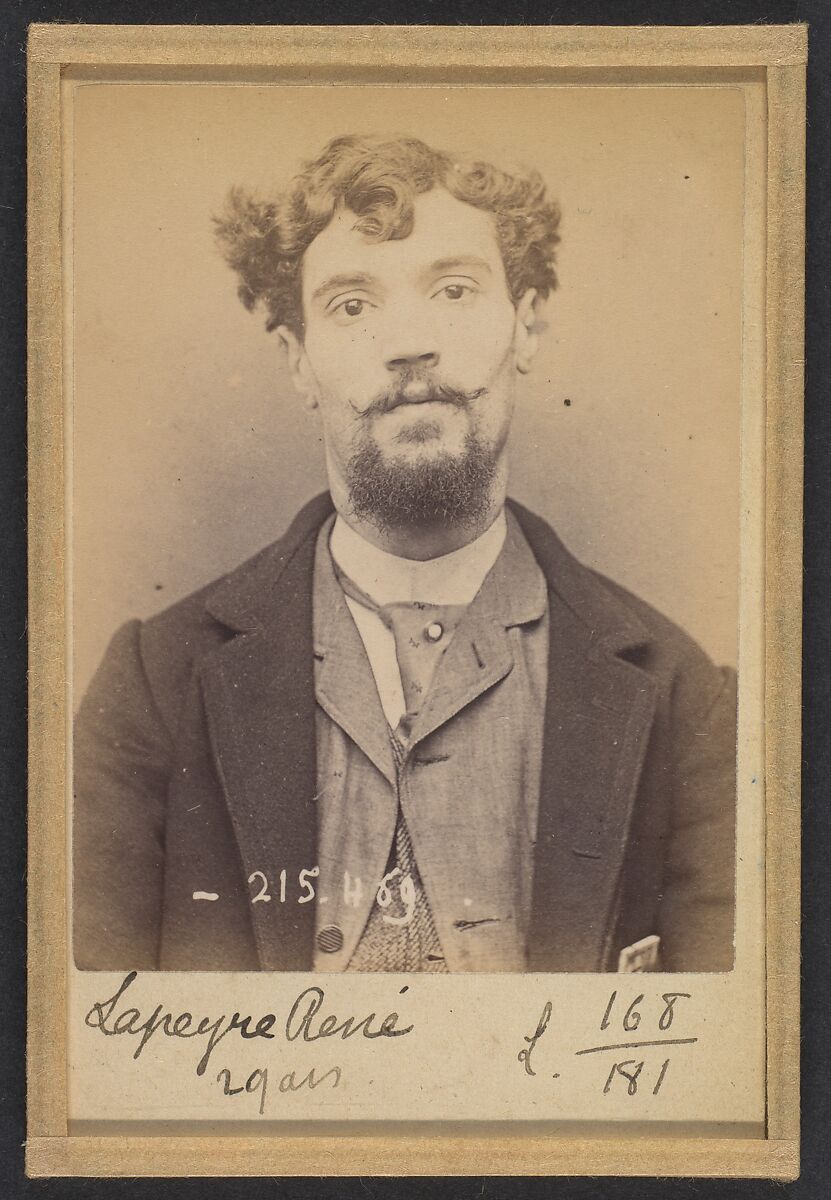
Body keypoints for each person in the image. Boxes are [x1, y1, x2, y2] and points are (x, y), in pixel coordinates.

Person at [73, 133, 736, 974]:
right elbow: (85, 1056)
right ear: (297, 360)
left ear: (525, 326)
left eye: (453, 290)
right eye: (353, 305)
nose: (409, 341)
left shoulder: (683, 698)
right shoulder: (153, 686)